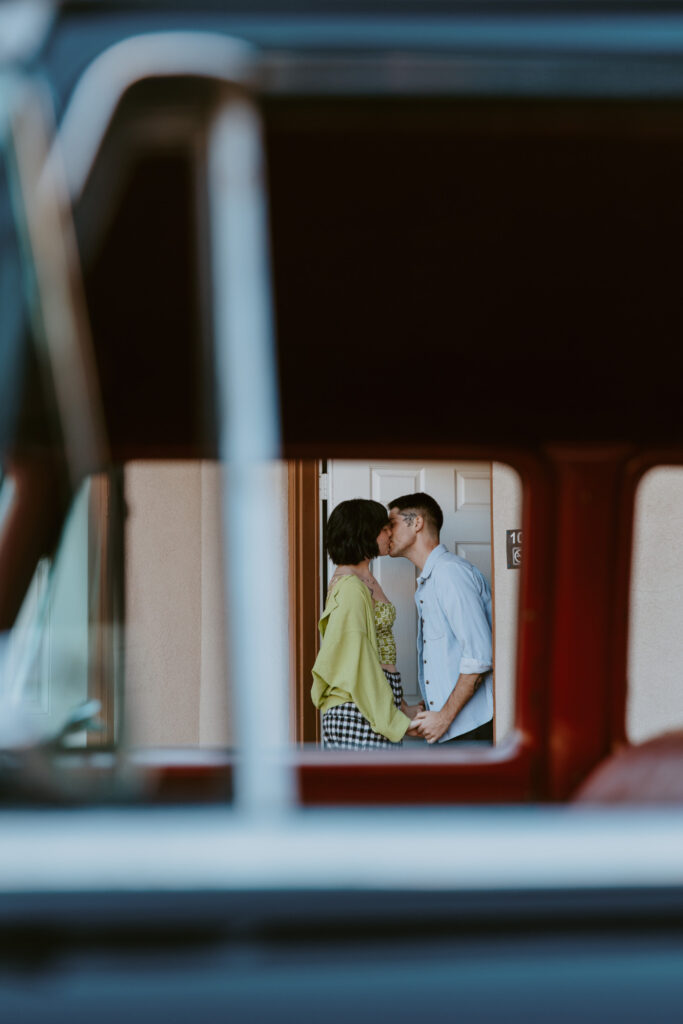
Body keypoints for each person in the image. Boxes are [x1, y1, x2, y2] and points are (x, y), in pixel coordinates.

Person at [311, 499, 423, 749]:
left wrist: (401, 706)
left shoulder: (365, 578)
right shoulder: (351, 588)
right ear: (365, 533)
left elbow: (379, 649)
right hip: (357, 709)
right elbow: (358, 663)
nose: (389, 533)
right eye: (384, 528)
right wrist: (396, 721)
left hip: (371, 704)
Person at [388, 492, 494, 745]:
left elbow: (479, 657)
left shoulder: (449, 574)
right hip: (455, 726)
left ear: (417, 522)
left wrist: (444, 717)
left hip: (470, 727)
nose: (387, 533)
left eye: (392, 523)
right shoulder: (431, 581)